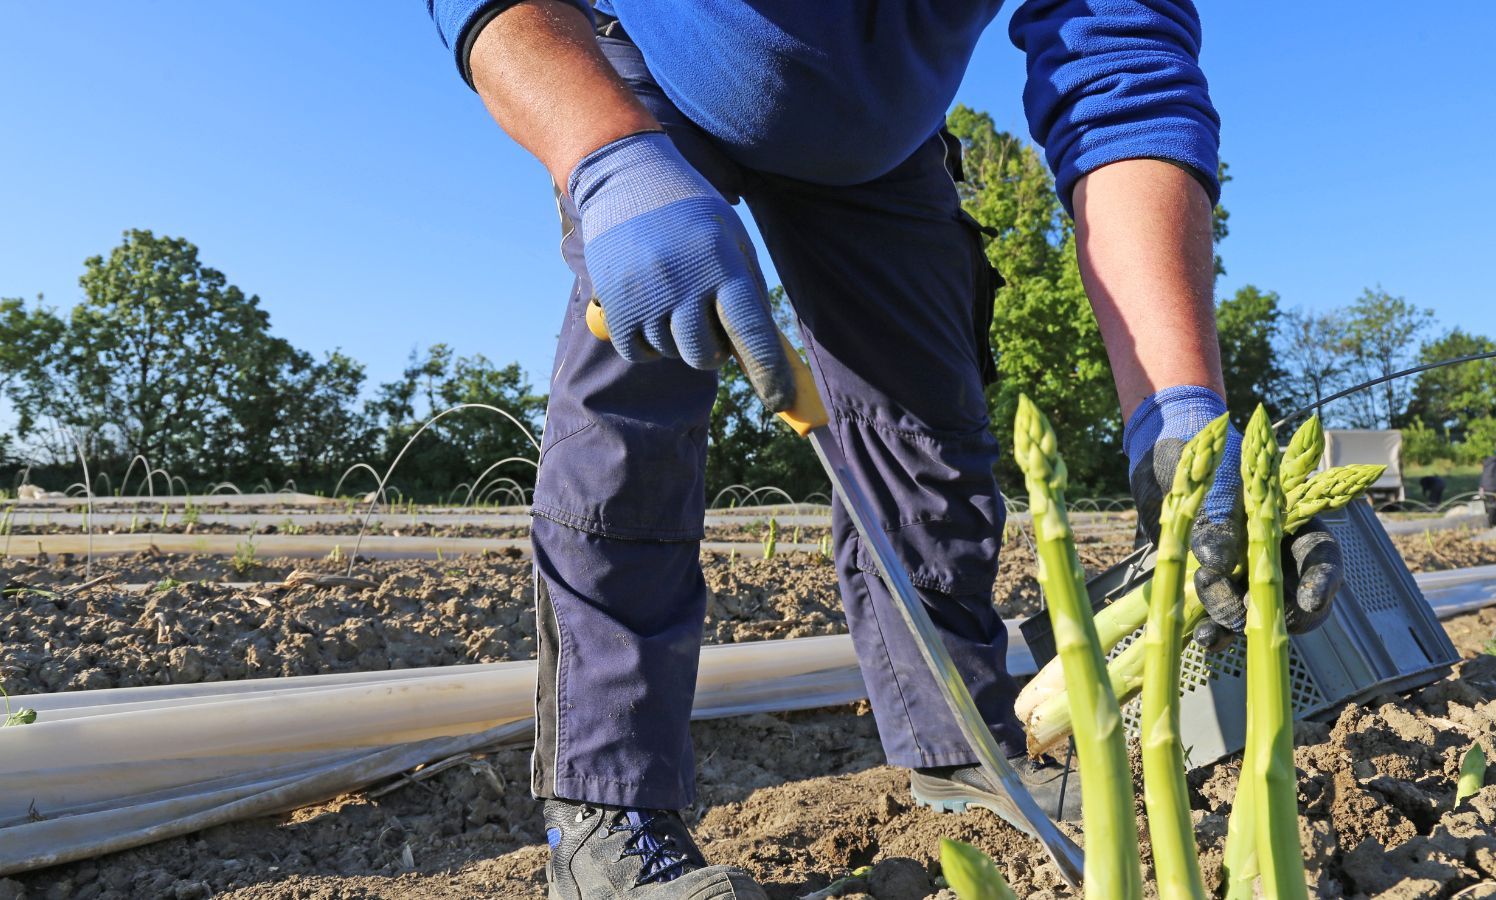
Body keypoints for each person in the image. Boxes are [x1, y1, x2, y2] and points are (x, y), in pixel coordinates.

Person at [425, 2, 1347, 896]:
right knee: (631, 411)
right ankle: (607, 810)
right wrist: (608, 158)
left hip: (882, 134)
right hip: (651, 81)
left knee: (928, 438)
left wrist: (1176, 413)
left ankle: (960, 750)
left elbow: (1121, 75)